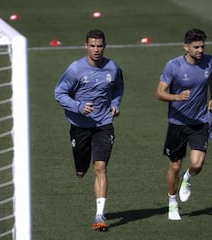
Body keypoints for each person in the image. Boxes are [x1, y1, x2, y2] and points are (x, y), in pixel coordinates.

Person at [54, 29, 124, 231]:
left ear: (105, 46)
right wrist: (78, 106)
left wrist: (115, 103)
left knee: (101, 167)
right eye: (92, 45)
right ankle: (80, 167)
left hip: (103, 124)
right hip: (79, 126)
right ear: (86, 46)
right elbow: (59, 93)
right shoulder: (76, 69)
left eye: (100, 46)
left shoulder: (113, 67)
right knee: (81, 170)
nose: (96, 49)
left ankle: (99, 215)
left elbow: (118, 87)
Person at [156, 29, 212, 220]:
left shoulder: (210, 62)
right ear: (186, 47)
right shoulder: (173, 66)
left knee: (197, 164)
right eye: (196, 47)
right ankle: (172, 203)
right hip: (177, 123)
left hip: (200, 122)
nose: (200, 50)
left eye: (202, 46)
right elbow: (159, 93)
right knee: (175, 167)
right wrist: (176, 96)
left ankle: (187, 179)